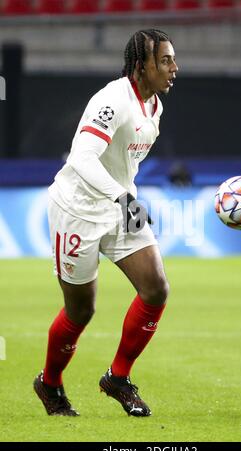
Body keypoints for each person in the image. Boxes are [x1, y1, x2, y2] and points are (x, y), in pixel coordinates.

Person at [33, 29, 178, 417]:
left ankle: (118, 377)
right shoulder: (113, 100)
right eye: (164, 61)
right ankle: (49, 383)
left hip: (117, 206)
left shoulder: (155, 107)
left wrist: (122, 197)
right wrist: (122, 196)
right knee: (81, 311)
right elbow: (80, 159)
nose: (173, 68)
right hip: (77, 210)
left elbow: (122, 163)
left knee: (156, 288)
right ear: (141, 65)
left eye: (172, 60)